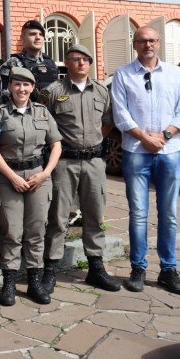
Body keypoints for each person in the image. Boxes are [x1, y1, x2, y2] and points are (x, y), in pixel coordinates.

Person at [111, 26, 180, 295]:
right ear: (134, 44)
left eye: (152, 40)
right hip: (136, 152)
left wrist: (165, 134)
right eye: (142, 41)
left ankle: (169, 269)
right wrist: (144, 137)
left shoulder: (175, 74)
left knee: (168, 215)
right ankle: (138, 268)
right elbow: (121, 115)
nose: (148, 45)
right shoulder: (123, 75)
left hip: (170, 153)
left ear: (159, 43)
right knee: (138, 214)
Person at [41, 45, 121, 293]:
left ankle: (96, 268)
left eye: (85, 59)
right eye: (75, 59)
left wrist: (91, 144)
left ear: (90, 63)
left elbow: (106, 123)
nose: (81, 63)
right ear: (67, 63)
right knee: (58, 217)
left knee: (95, 215)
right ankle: (50, 269)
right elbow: (45, 125)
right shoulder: (53, 91)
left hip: (94, 162)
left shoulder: (101, 91)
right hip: (64, 162)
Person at [0, 67, 61, 306]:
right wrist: (12, 177)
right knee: (11, 231)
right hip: (8, 176)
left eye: (26, 85)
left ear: (33, 88)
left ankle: (34, 282)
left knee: (36, 231)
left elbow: (57, 145)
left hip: (37, 176)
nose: (21, 89)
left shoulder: (42, 113)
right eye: (17, 84)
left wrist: (45, 174)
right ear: (10, 86)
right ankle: (9, 281)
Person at [0, 20, 59, 102]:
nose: (38, 37)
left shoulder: (51, 63)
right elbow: (4, 95)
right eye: (33, 34)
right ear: (22, 37)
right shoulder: (12, 63)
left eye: (41, 35)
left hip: (50, 112)